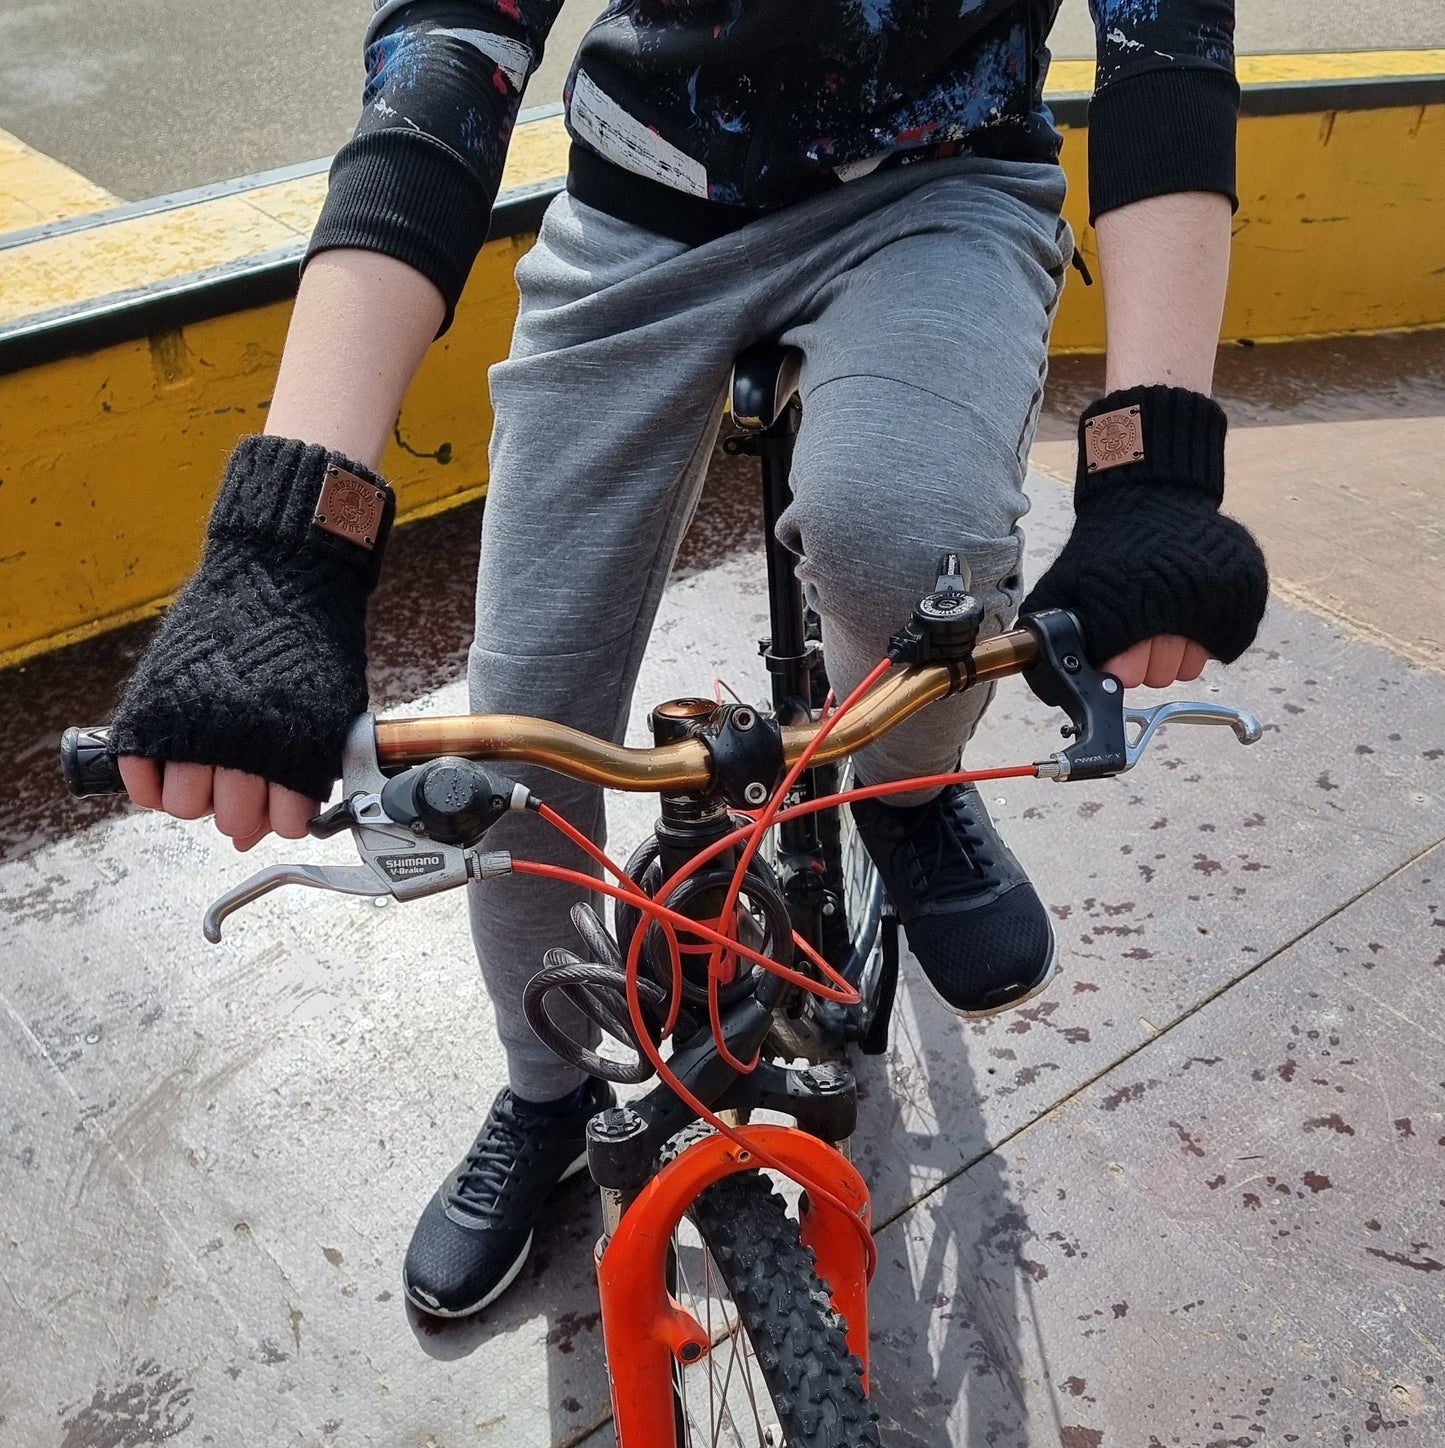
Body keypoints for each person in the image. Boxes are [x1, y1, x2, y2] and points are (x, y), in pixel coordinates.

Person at [108, 0, 1267, 1319]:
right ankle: (546, 1085)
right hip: (642, 204)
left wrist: (1153, 470)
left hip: (939, 193)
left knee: (906, 547)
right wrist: (286, 546)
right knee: (521, 719)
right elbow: (452, 47)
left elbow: (1166, 40)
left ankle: (902, 787)